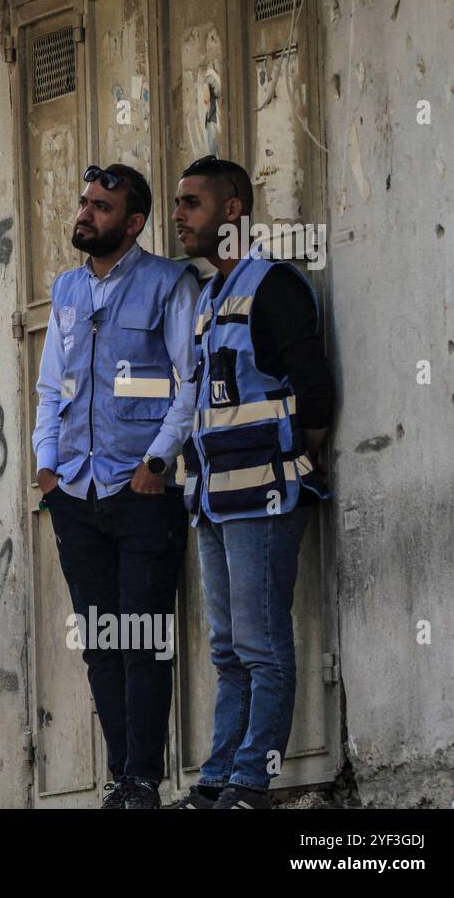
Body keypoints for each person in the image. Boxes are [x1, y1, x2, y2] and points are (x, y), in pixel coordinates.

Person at [168, 156, 334, 809]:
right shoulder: (210, 296)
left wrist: (302, 451)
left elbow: (314, 387)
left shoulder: (275, 286)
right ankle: (217, 782)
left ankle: (252, 783)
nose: (179, 216)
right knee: (228, 648)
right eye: (178, 204)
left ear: (232, 210)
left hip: (266, 494)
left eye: (192, 204)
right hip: (211, 501)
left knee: (262, 644)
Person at [33, 163, 200, 808]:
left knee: (144, 643)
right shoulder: (69, 289)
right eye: (84, 203)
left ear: (133, 223)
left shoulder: (169, 282)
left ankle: (142, 781)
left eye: (101, 208)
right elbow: (53, 386)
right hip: (76, 493)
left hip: (142, 495)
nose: (85, 214)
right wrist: (48, 466)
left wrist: (157, 464)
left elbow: (190, 381)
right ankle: (118, 782)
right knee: (102, 642)